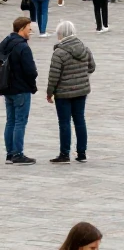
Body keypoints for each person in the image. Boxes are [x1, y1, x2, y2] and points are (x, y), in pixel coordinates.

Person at [46, 20, 94, 163]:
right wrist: (81, 76)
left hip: (63, 93)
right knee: (80, 120)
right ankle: (82, 153)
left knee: (64, 122)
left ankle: (64, 153)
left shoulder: (59, 52)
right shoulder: (84, 48)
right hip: (81, 90)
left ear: (60, 34)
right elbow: (92, 67)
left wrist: (50, 93)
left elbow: (54, 76)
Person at [2, 15, 37, 165]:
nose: (30, 31)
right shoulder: (23, 47)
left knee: (10, 121)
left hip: (6, 87)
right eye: (29, 28)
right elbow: (31, 71)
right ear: (22, 28)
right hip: (21, 89)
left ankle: (10, 153)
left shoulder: (5, 43)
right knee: (20, 122)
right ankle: (18, 153)